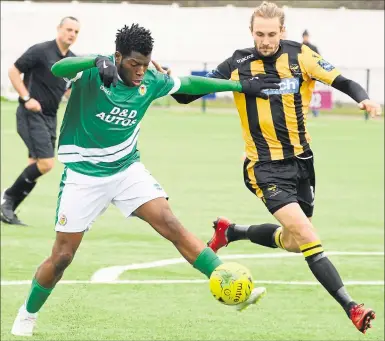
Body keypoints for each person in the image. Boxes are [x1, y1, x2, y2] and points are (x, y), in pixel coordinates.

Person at [10, 23, 280, 337]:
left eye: (145, 63)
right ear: (117, 57)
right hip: (83, 178)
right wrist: (94, 60)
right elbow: (58, 67)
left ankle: (229, 280)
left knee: (172, 225)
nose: (140, 71)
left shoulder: (150, 81)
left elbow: (189, 83)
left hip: (127, 172)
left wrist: (240, 86)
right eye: (133, 64)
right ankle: (27, 314)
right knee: (62, 257)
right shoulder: (93, 75)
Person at [172, 1, 381, 334]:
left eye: (271, 34)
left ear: (282, 31)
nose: (265, 41)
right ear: (251, 32)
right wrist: (165, 79)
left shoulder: (302, 56)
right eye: (259, 34)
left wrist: (364, 98)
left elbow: (343, 82)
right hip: (264, 168)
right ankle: (351, 306)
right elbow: (186, 96)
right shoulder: (238, 61)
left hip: (302, 164)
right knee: (309, 237)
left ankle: (232, 232)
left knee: (295, 241)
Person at [1, 16, 80, 226]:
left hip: (51, 117)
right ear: (59, 29)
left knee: (35, 165)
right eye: (69, 29)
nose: (72, 34)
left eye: (76, 32)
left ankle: (8, 210)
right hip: (31, 115)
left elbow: (69, 90)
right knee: (46, 163)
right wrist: (26, 98)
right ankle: (6, 199)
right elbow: (13, 71)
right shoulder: (41, 51)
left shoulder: (72, 61)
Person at [302, 29, 321, 117]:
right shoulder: (299, 47)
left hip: (313, 72)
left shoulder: (313, 48)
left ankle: (315, 110)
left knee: (315, 93)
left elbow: (319, 59)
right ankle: (303, 110)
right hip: (303, 73)